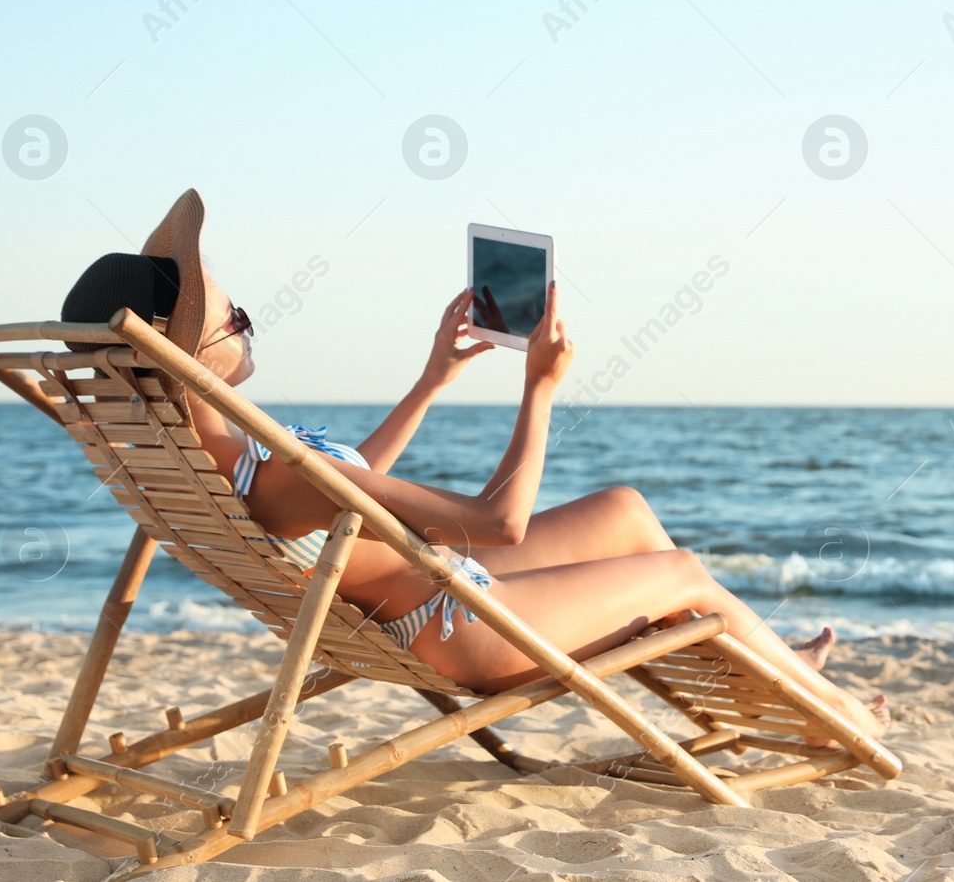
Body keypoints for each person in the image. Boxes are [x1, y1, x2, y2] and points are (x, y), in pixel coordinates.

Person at [61, 191, 888, 742]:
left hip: (451, 585)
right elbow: (501, 523)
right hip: (466, 629)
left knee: (627, 511)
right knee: (685, 573)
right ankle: (842, 711)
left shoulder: (222, 457)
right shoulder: (272, 469)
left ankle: (771, 659)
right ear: (184, 349)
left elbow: (346, 498)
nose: (245, 326)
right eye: (231, 316)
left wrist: (431, 381)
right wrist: (541, 389)